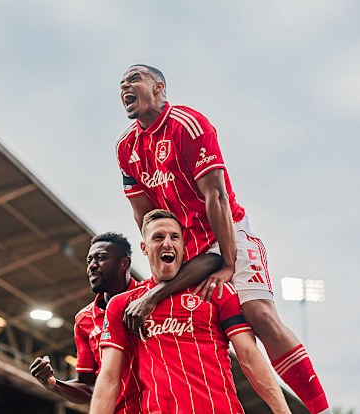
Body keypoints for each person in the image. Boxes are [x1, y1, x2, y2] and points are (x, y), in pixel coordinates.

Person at [116, 64, 331, 413]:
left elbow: (215, 196)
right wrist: (162, 258)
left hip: (228, 234)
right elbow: (144, 215)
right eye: (121, 83)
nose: (125, 85)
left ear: (159, 88)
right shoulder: (127, 147)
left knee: (259, 315)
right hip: (188, 248)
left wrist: (229, 262)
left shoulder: (188, 124)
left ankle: (321, 410)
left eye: (134, 78)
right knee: (223, 337)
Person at [90, 209, 291, 414]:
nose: (167, 243)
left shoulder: (216, 291)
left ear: (183, 246)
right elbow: (108, 379)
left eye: (174, 237)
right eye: (158, 237)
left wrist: (283, 412)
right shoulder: (123, 304)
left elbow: (249, 355)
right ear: (144, 247)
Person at [29, 232, 221, 412]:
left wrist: (153, 297)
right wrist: (55, 384)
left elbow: (212, 259)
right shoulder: (83, 320)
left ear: (124, 263)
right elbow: (88, 386)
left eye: (101, 258)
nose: (92, 266)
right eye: (89, 260)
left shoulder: (154, 297)